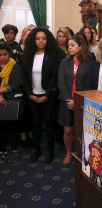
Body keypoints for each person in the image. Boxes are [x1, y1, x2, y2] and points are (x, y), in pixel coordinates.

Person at [21, 27, 62, 163]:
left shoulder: (53, 56)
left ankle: (49, 151)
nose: (41, 41)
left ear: (48, 40)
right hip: (32, 96)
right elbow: (24, 78)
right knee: (36, 125)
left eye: (44, 38)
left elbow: (54, 77)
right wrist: (29, 94)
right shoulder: (27, 55)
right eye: (38, 38)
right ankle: (36, 150)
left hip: (48, 97)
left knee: (49, 124)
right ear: (34, 40)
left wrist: (47, 95)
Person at [58, 33, 95, 165]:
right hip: (66, 101)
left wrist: (77, 101)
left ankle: (82, 154)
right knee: (68, 130)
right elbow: (61, 82)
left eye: (72, 45)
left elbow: (90, 85)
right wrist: (69, 100)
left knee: (83, 130)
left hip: (83, 102)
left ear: (80, 47)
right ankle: (68, 152)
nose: (69, 47)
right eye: (68, 45)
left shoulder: (90, 63)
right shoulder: (64, 62)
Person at [0, 42, 23, 157]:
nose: (2, 57)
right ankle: (2, 148)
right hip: (0, 100)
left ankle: (14, 148)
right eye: (0, 55)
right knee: (1, 127)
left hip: (13, 99)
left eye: (5, 54)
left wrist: (1, 91)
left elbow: (15, 84)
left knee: (13, 126)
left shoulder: (15, 66)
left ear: (9, 54)